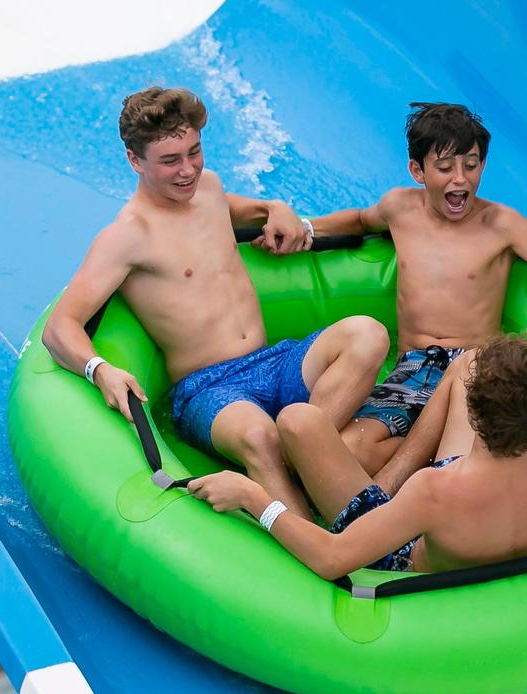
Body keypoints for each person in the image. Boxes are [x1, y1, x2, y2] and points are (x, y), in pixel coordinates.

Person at [43, 86, 389, 518]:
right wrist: (100, 370)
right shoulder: (127, 236)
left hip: (275, 361)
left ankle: (305, 456)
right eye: (170, 161)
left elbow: (244, 210)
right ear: (135, 161)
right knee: (258, 435)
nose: (188, 170)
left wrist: (275, 207)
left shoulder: (207, 189)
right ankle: (312, 543)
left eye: (194, 151)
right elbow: (59, 327)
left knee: (368, 334)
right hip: (210, 389)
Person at [285, 102, 527, 491]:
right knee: (348, 451)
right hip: (415, 370)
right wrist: (306, 228)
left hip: (477, 369)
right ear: (418, 171)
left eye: (472, 164)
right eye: (445, 167)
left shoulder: (503, 225)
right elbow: (361, 220)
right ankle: (432, 467)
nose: (460, 179)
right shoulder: (400, 208)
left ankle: (431, 470)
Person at [188, 336, 527, 578]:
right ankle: (388, 473)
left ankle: (375, 481)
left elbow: (333, 560)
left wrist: (254, 498)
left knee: (297, 421)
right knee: (471, 358)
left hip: (412, 549)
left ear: (474, 412)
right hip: (478, 514)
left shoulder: (434, 492)